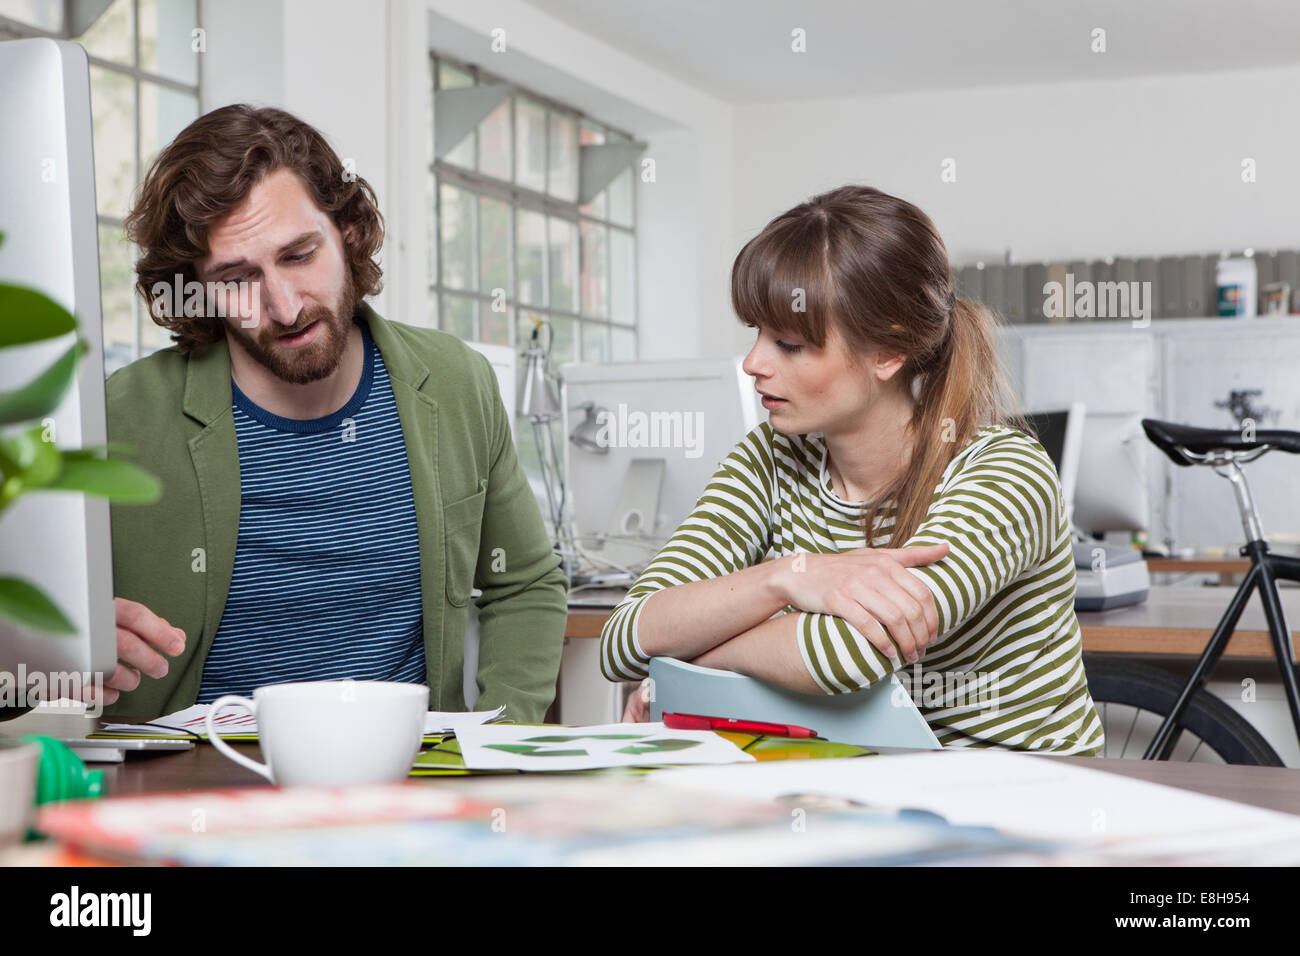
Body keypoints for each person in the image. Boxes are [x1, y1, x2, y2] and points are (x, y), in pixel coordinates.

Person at [97, 105, 566, 723]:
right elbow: (25, 619)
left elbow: (525, 583)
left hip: (407, 784)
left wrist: (501, 738)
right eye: (238, 277)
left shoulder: (456, 383)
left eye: (298, 255)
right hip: (196, 793)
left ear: (346, 230)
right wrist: (56, 644)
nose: (286, 307)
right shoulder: (116, 418)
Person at [601, 185, 1103, 755]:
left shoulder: (1005, 472)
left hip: (1029, 801)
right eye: (756, 335)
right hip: (868, 790)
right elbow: (625, 636)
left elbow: (847, 654)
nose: (753, 364)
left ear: (887, 354)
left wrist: (688, 662)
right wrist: (789, 576)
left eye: (789, 344)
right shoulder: (769, 458)